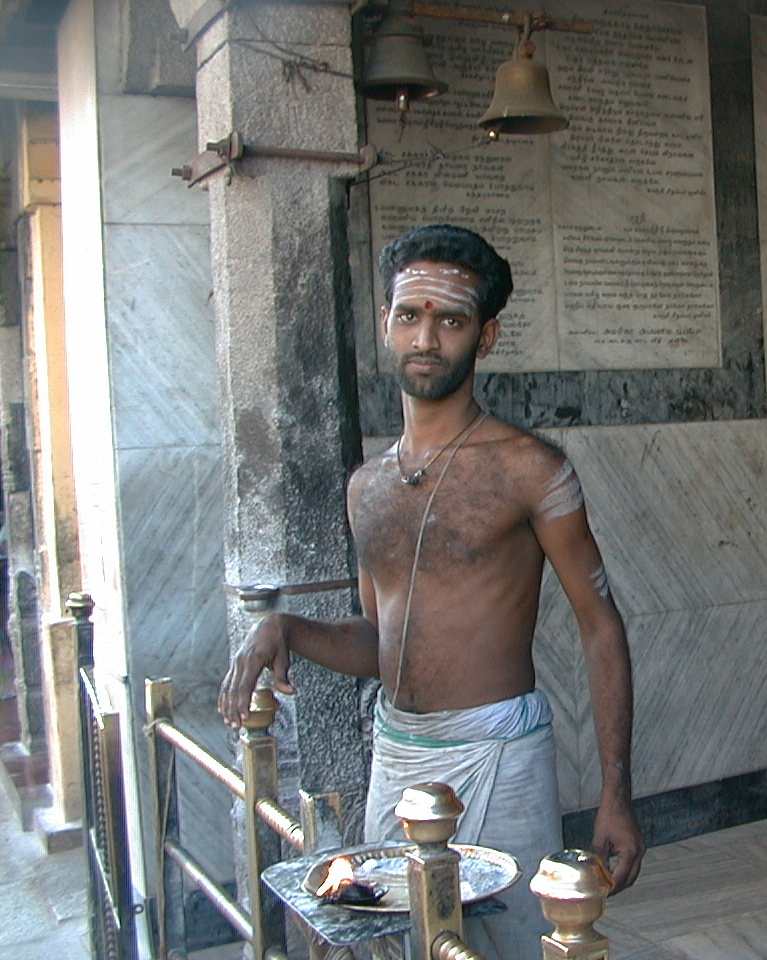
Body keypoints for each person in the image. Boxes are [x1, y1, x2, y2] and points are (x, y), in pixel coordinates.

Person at [220, 224, 644, 959]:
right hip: (397, 755)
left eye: (450, 320)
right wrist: (288, 629)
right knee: (403, 946)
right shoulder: (368, 488)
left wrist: (615, 792)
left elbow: (600, 626)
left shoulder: (529, 468)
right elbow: (383, 647)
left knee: (506, 946)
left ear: (484, 337)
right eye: (410, 315)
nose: (427, 337)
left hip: (498, 755)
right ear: (386, 326)